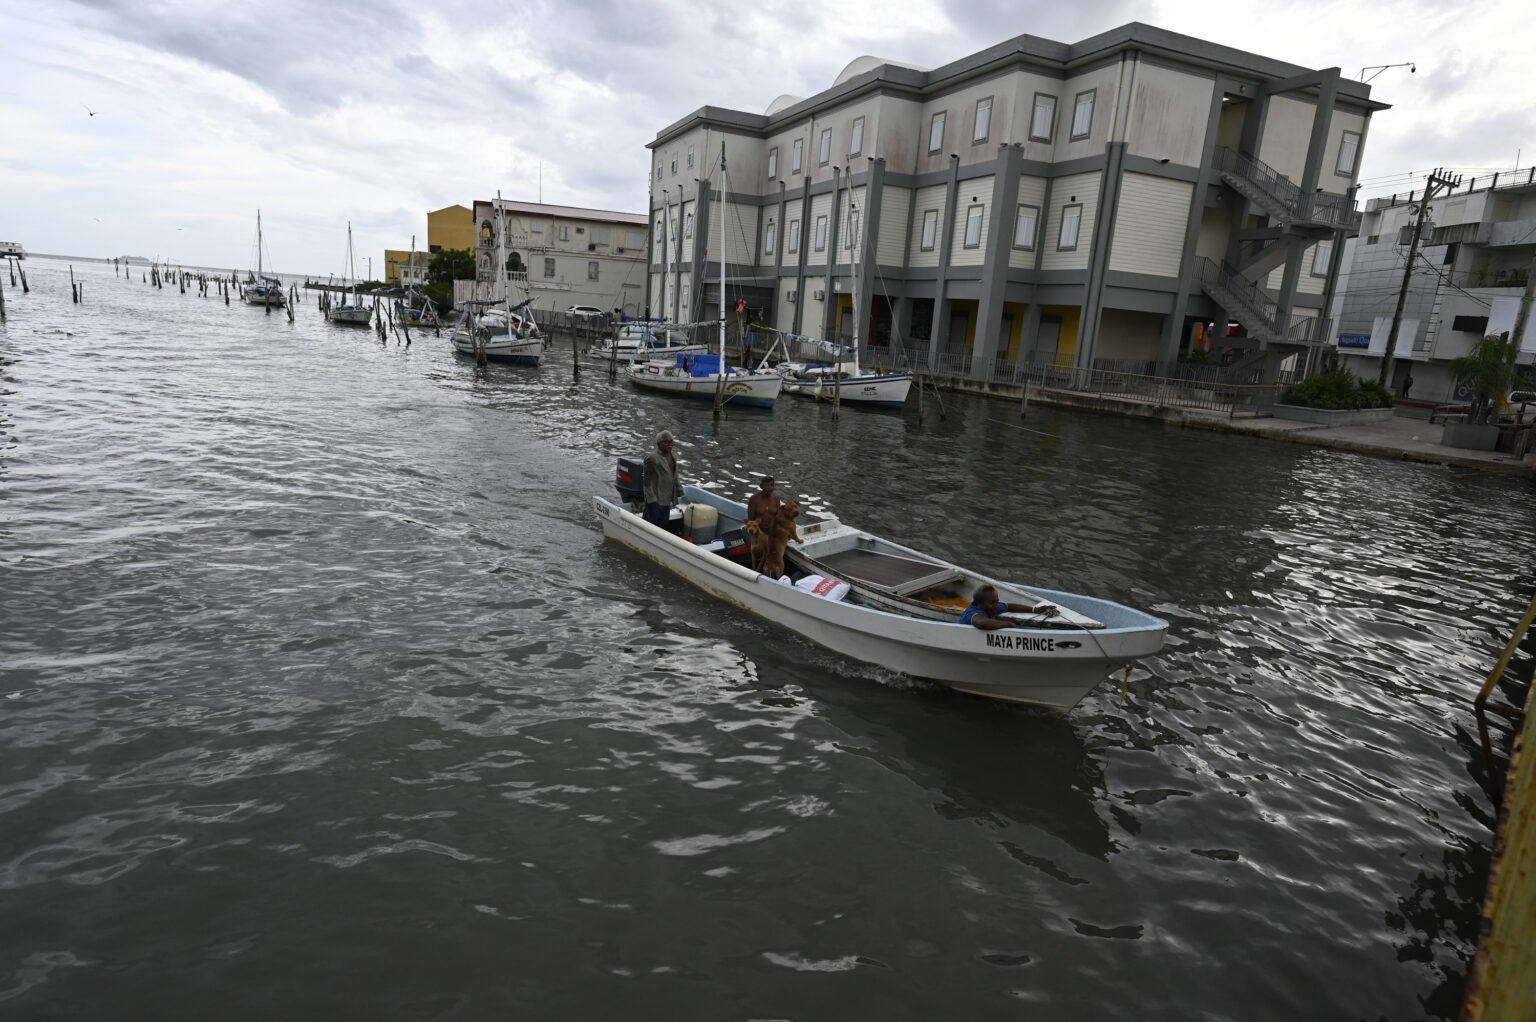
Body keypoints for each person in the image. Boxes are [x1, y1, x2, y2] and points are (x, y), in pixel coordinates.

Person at [641, 430, 683, 529]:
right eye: (666, 441)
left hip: (667, 499)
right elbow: (646, 481)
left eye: (671, 441)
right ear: (659, 443)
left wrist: (679, 490)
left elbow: (674, 476)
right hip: (656, 501)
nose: (669, 444)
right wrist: (652, 499)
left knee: (663, 526)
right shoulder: (652, 458)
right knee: (648, 527)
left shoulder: (672, 457)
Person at [959, 584, 1034, 631]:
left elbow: (1010, 607)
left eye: (997, 602)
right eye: (992, 603)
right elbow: (982, 623)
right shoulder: (973, 613)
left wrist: (1034, 609)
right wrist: (1008, 624)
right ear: (980, 603)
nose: (996, 606)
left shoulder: (993, 606)